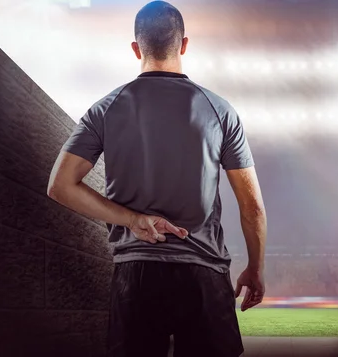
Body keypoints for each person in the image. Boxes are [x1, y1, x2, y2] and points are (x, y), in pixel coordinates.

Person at [46, 1, 267, 356]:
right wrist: (255, 270)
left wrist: (132, 219)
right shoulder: (220, 110)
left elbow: (59, 185)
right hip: (203, 274)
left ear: (136, 48)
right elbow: (252, 206)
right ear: (184, 44)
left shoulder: (105, 108)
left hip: (136, 274)